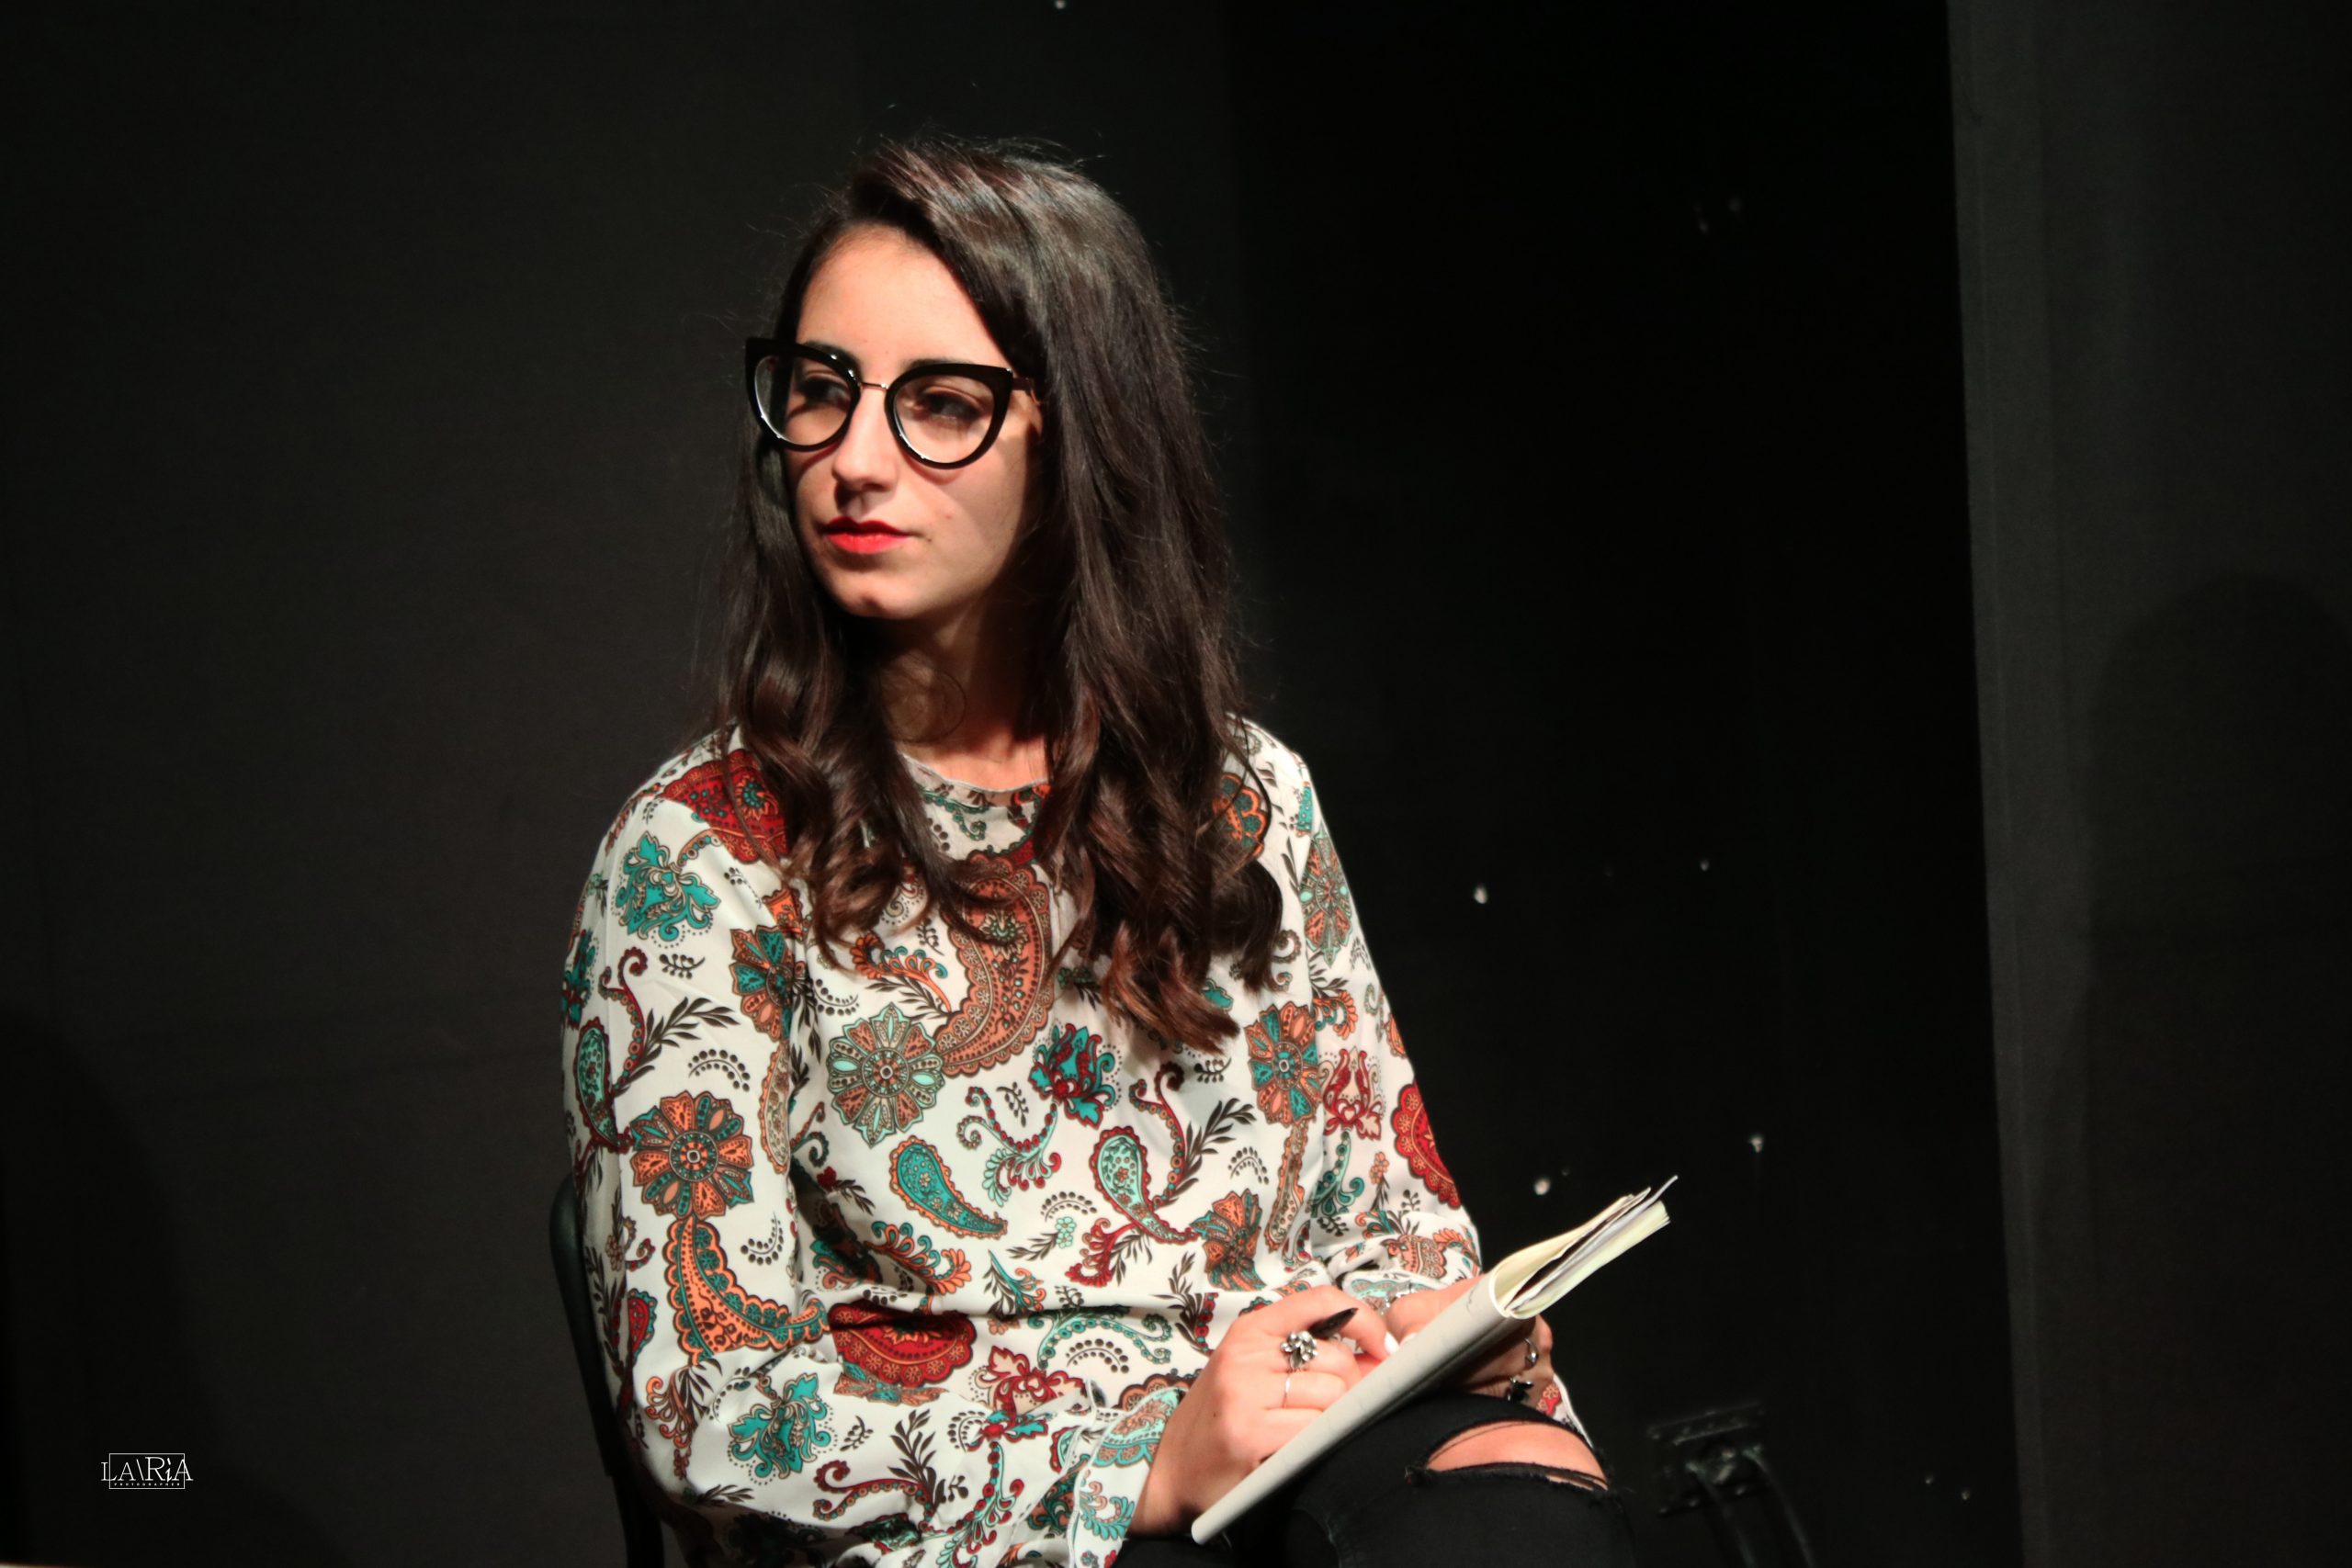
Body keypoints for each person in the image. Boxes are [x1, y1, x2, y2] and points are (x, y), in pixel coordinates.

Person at [560, 138, 1637, 1567]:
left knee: (1516, 1495)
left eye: (940, 405)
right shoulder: (705, 851)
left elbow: (1387, 1220)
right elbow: (707, 1408)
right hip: (980, 1524)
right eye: (821, 391)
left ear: (1079, 436)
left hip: (1276, 1452)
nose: (853, 460)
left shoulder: (1240, 796)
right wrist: (1141, 1459)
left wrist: (1446, 1334)